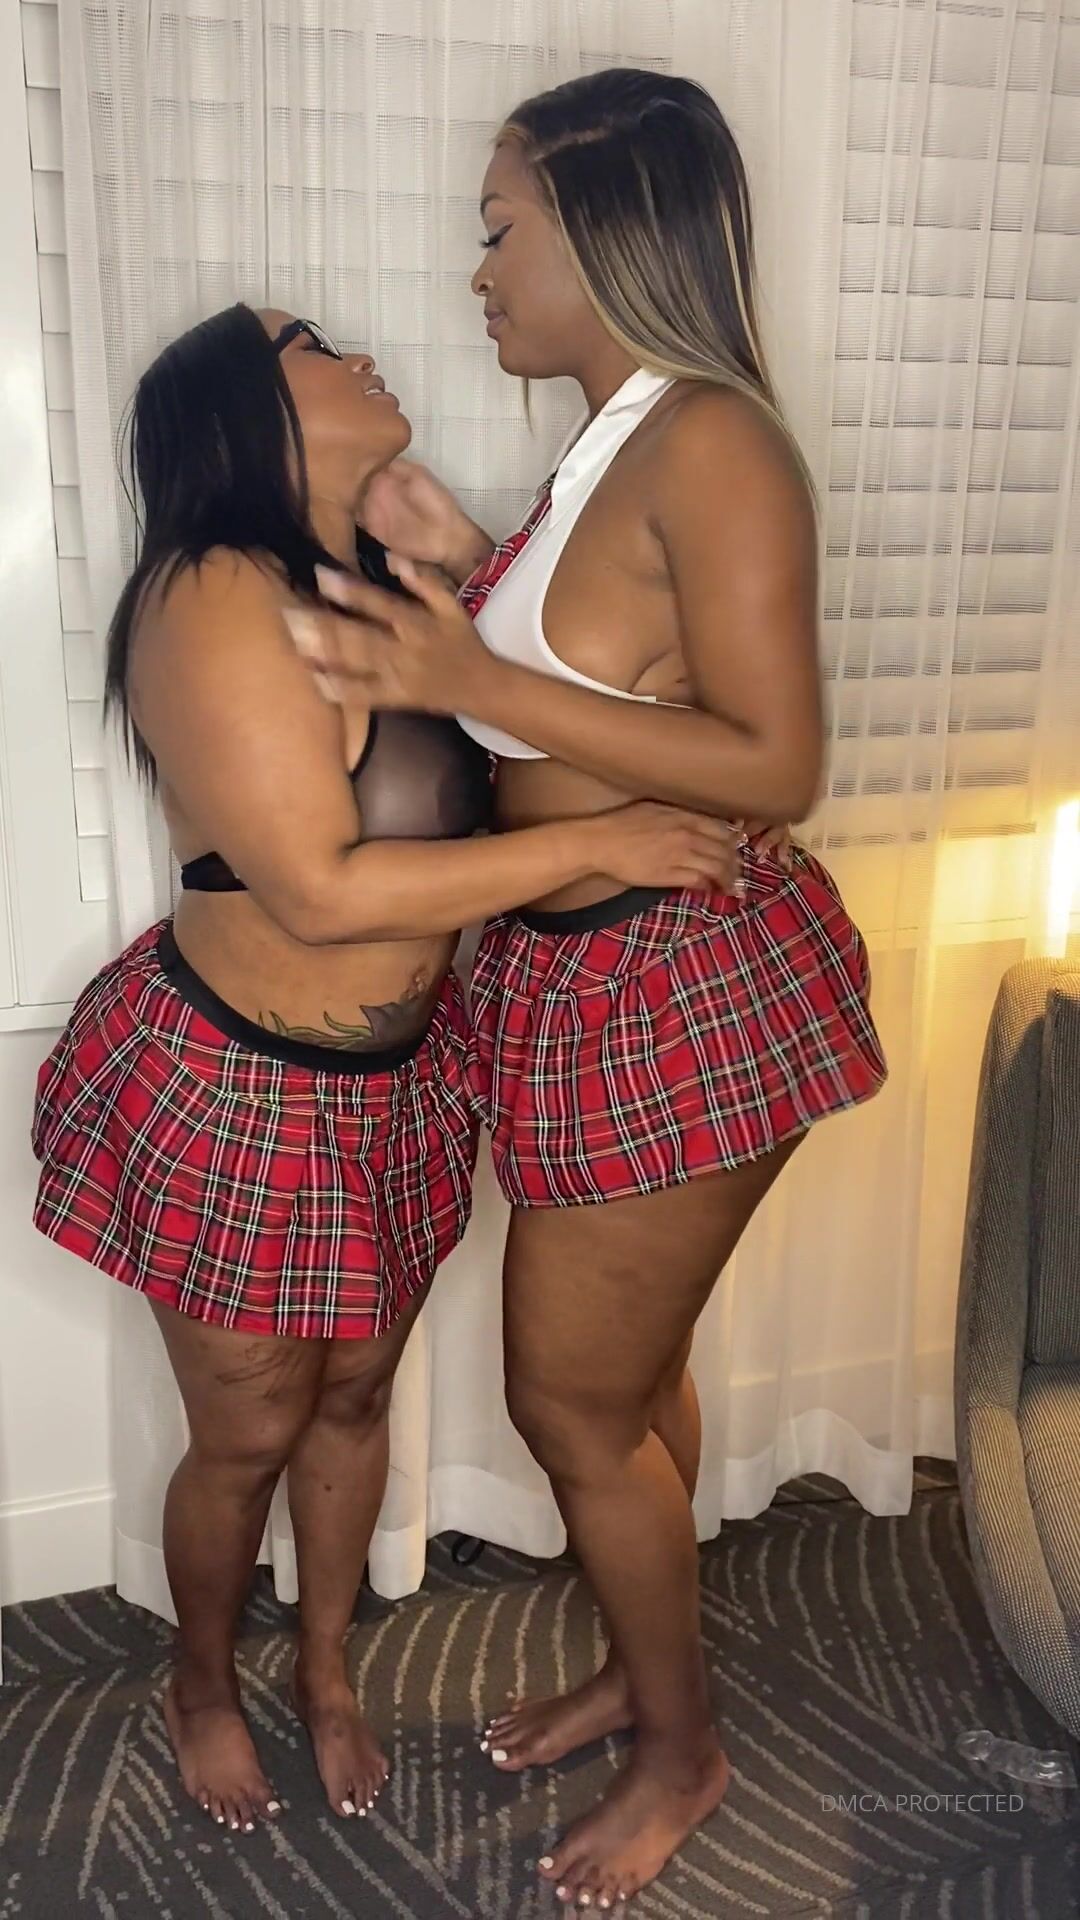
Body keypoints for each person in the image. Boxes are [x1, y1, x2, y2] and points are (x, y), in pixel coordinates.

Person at [289, 69, 888, 1910]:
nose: (476, 270)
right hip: (581, 975)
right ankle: (645, 1670)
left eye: (500, 228)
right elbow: (610, 679)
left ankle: (685, 1752)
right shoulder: (613, 441)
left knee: (569, 1405)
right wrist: (471, 565)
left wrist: (472, 665)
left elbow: (775, 761)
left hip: (682, 976)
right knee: (628, 1383)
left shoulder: (712, 442)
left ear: (607, 226)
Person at [30, 300, 742, 1841]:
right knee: (246, 1436)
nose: (356, 353)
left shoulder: (381, 586)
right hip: (233, 1090)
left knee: (356, 1401)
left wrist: (465, 558)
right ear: (239, 410)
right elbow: (319, 890)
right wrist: (606, 848)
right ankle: (202, 1685)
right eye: (307, 344)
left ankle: (325, 1667)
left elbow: (562, 708)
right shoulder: (213, 588)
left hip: (400, 1090)